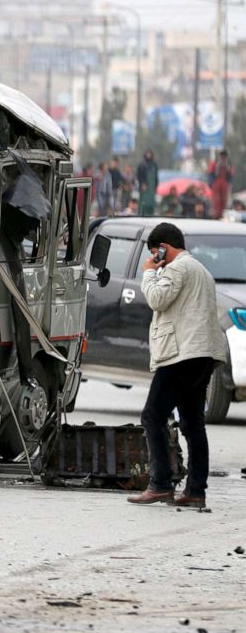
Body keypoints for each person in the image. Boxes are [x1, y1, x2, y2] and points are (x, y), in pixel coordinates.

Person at [127, 223, 227, 507]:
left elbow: (157, 299)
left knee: (152, 416)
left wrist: (148, 271)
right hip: (201, 354)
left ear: (163, 248)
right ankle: (195, 490)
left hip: (182, 353)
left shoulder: (177, 268)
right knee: (193, 423)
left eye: (156, 253)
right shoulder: (201, 270)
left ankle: (160, 484)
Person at [207, 149, 234, 218]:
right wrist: (211, 183)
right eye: (222, 155)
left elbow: (231, 174)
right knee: (216, 199)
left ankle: (222, 214)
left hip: (224, 182)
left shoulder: (229, 163)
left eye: (224, 155)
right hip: (217, 181)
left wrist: (229, 182)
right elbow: (210, 173)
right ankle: (216, 213)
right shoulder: (215, 163)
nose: (223, 157)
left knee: (224, 199)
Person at [136, 150, 158, 216]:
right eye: (147, 154)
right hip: (145, 189)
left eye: (150, 154)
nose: (149, 155)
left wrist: (156, 185)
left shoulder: (154, 165)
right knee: (143, 204)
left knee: (151, 204)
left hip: (152, 188)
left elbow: (156, 177)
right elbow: (139, 176)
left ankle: (151, 215)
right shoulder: (142, 165)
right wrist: (142, 183)